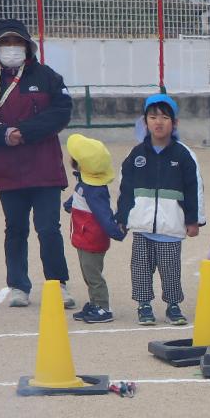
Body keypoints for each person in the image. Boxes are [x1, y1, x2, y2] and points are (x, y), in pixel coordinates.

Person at [0, 18, 72, 308]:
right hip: (6, 170)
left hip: (45, 168)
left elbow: (62, 111)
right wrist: (2, 134)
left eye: (16, 42)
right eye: (5, 42)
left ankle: (57, 284)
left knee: (49, 228)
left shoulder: (48, 77)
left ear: (27, 46)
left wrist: (25, 131)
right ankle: (18, 286)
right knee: (15, 228)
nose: (11, 48)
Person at [114, 93, 203, 328]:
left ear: (175, 123)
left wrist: (194, 220)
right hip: (142, 226)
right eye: (153, 117)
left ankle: (173, 305)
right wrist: (122, 217)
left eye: (164, 117)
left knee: (170, 270)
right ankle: (144, 305)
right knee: (141, 269)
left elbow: (194, 188)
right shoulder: (135, 155)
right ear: (145, 122)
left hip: (171, 226)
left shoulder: (184, 155)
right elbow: (125, 188)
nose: (158, 122)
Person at [62, 133, 125, 323]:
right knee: (87, 273)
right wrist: (69, 205)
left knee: (93, 275)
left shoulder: (94, 191)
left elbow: (103, 215)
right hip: (83, 237)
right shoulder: (85, 184)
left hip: (91, 239)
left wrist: (116, 232)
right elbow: (76, 198)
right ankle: (94, 303)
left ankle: (103, 307)